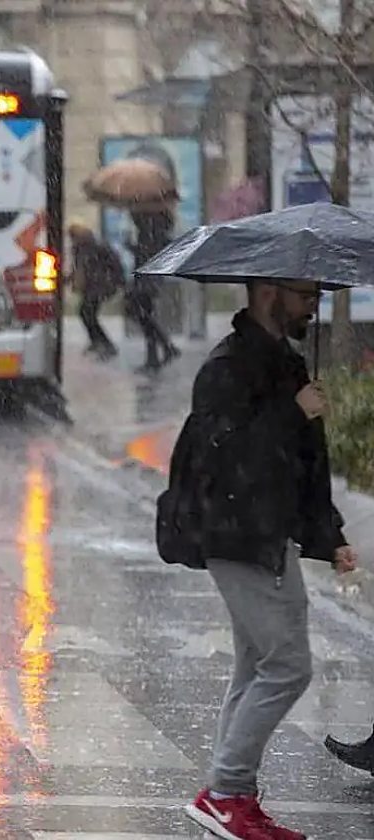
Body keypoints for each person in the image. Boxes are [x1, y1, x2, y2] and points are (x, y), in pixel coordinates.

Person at [159, 278, 359, 840]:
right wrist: (291, 411)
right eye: (304, 294)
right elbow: (221, 458)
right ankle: (225, 793)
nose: (314, 305)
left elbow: (303, 463)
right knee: (288, 666)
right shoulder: (228, 367)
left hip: (270, 536)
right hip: (236, 534)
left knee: (256, 666)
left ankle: (230, 795)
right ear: (269, 292)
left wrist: (329, 533)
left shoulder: (285, 363)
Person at [126, 207, 181, 372]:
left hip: (146, 280)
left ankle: (160, 352)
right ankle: (162, 350)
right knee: (144, 316)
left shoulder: (150, 231)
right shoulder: (155, 230)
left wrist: (133, 248)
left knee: (142, 316)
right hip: (149, 279)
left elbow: (146, 254)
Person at [68, 222, 123, 359]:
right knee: (86, 313)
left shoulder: (98, 246)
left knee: (87, 312)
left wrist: (116, 281)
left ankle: (106, 344)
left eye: (74, 236)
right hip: (91, 286)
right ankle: (97, 341)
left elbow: (115, 263)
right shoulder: (77, 249)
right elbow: (78, 268)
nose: (73, 239)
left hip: (102, 285)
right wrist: (68, 280)